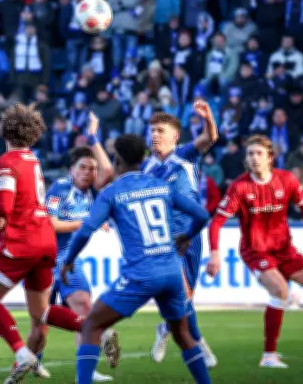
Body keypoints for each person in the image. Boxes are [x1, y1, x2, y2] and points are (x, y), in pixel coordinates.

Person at [0, 103, 117, 384]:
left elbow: (4, 205)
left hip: (23, 242)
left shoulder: (7, 162)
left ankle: (21, 353)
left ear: (5, 133)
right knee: (43, 313)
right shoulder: (33, 160)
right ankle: (97, 331)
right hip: (45, 245)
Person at [63, 134, 212, 384]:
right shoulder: (162, 186)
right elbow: (201, 214)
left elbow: (86, 230)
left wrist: (68, 259)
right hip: (173, 273)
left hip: (142, 275)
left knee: (91, 326)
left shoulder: (111, 192)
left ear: (117, 160)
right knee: (183, 335)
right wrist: (187, 236)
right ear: (143, 159)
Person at [206, 135, 303, 368]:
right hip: (256, 252)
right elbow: (216, 222)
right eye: (250, 154)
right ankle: (269, 355)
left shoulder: (286, 179)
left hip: (284, 249)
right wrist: (215, 252)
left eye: (259, 153)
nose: (254, 158)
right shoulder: (239, 186)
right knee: (279, 289)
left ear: (270, 157)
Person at [38, 112, 113, 382]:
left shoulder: (93, 192)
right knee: (41, 322)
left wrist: (93, 137)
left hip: (69, 261)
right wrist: (85, 222)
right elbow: (51, 224)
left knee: (83, 306)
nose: (89, 172)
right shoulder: (60, 187)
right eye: (82, 167)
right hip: (45, 259)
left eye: (91, 169)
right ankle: (32, 361)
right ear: (71, 170)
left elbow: (108, 171)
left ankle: (88, 369)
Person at [144, 101, 219, 367]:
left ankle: (166, 328)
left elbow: (210, 137)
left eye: (160, 130)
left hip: (191, 235)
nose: (154, 134)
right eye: (152, 130)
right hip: (165, 239)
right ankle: (198, 342)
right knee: (183, 294)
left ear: (175, 136)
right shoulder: (145, 168)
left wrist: (208, 117)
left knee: (186, 298)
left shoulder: (185, 154)